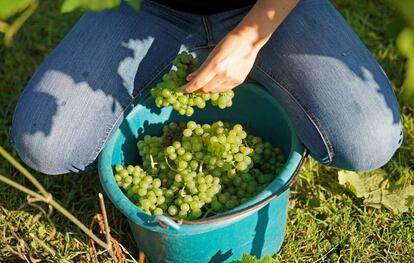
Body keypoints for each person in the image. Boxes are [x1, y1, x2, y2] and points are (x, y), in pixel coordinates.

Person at [10, 0, 403, 175]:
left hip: (267, 6)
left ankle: (249, 69)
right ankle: (193, 67)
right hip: (148, 8)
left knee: (367, 141)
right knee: (45, 145)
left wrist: (253, 34)